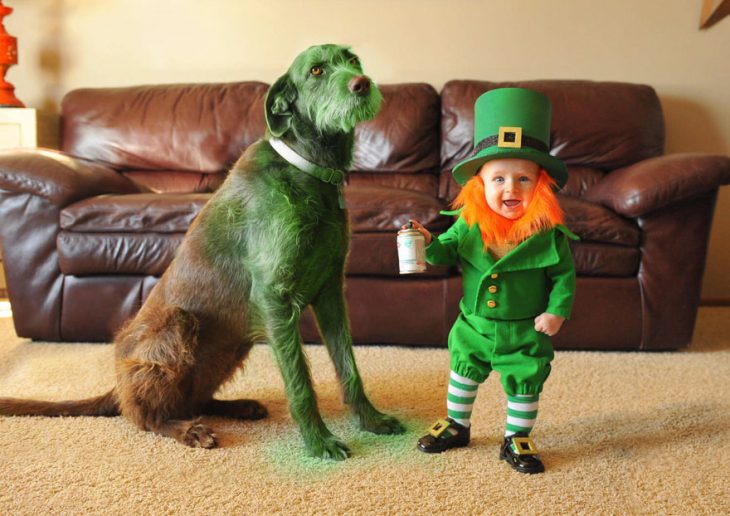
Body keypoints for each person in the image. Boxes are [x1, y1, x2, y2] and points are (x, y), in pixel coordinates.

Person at [406, 87, 577, 474]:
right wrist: (428, 242)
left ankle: (516, 437)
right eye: (498, 178)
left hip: (526, 328)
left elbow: (564, 276)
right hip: (475, 324)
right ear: (479, 186)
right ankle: (457, 424)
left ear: (541, 187)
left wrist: (557, 311)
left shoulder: (548, 234)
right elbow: (444, 253)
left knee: (526, 381)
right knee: (462, 372)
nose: (510, 188)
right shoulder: (468, 224)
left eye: (523, 179)